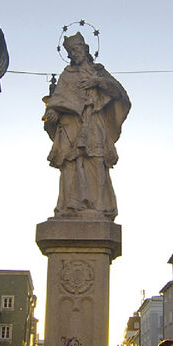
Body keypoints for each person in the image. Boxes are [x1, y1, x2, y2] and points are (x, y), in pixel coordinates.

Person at [42, 32, 130, 220]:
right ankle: (70, 206)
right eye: (71, 51)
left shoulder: (98, 71)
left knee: (96, 161)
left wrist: (98, 82)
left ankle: (97, 206)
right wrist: (53, 112)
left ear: (85, 49)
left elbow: (120, 94)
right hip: (70, 124)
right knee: (70, 163)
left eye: (77, 49)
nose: (74, 54)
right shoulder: (67, 74)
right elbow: (58, 101)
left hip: (94, 121)